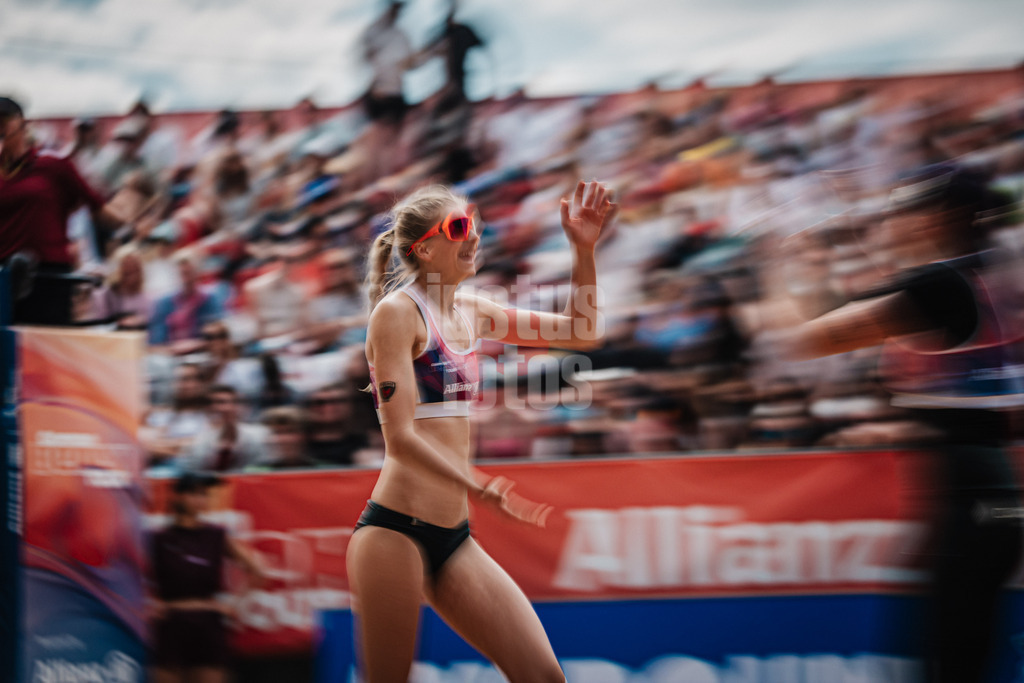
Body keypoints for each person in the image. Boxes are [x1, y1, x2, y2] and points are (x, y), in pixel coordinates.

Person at [347, 180, 615, 682]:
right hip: (393, 533)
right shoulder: (397, 314)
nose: (474, 235)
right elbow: (401, 438)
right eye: (458, 227)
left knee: (543, 677)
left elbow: (584, 331)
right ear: (424, 249)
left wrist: (583, 249)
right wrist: (478, 485)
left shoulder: (472, 309)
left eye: (473, 222)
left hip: (453, 538)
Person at [785, 163, 1023, 683]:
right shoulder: (997, 275)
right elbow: (982, 403)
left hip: (968, 498)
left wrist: (786, 266)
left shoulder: (939, 284)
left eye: (912, 210)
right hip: (997, 495)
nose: (900, 220)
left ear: (941, 218)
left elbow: (810, 339)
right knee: (967, 655)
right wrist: (908, 430)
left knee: (948, 661)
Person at [0, 96, 125, 324]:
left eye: (3, 122)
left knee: (44, 352)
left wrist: (130, 225)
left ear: (22, 125)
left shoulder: (53, 164)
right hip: (4, 277)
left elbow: (97, 208)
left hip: (47, 278)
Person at [148, 472, 265, 683]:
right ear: (178, 496)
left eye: (205, 494)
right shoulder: (159, 539)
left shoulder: (216, 536)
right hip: (171, 625)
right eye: (195, 493)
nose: (202, 499)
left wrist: (235, 604)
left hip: (207, 626)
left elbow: (258, 570)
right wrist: (147, 601)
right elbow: (130, 574)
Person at [181, 385, 270, 472]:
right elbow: (191, 474)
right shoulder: (199, 442)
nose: (216, 407)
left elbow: (267, 469)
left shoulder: (260, 434)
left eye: (221, 402)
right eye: (210, 403)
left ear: (236, 406)